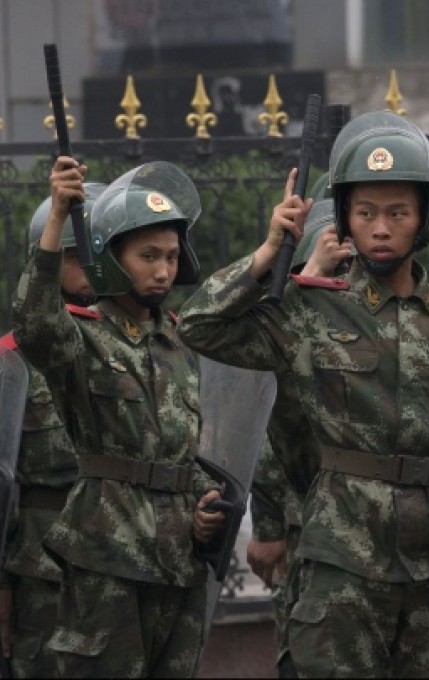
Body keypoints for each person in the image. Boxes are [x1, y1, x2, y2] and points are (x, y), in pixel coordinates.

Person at [176, 110, 429, 677]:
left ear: (424, 219)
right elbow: (198, 326)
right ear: (345, 218)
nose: (381, 227)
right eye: (365, 213)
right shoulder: (311, 309)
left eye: (398, 212)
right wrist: (270, 252)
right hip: (341, 560)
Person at [11, 158, 226, 677]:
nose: (163, 270)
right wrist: (59, 216)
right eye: (148, 255)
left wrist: (204, 507)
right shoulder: (84, 338)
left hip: (179, 562)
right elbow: (35, 325)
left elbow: (183, 447)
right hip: (107, 557)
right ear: (110, 259)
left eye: (172, 256)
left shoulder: (177, 343)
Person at [0, 183, 105, 678]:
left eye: (98, 255)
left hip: (123, 560)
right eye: (73, 257)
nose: (89, 270)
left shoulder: (143, 349)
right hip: (42, 570)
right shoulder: (11, 359)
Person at [244, 198, 351, 677]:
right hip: (303, 525)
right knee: (305, 648)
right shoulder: (299, 326)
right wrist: (267, 527)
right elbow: (271, 431)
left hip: (369, 528)